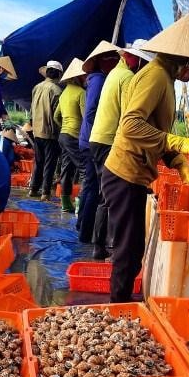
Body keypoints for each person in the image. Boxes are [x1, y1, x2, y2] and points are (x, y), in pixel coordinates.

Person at [102, 14, 189, 302]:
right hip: (124, 173)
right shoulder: (156, 75)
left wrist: (177, 160)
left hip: (134, 174)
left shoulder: (165, 79)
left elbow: (155, 131)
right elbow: (131, 125)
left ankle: (121, 306)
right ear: (183, 58)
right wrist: (179, 141)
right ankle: (118, 310)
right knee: (127, 251)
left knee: (132, 251)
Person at [88, 39, 154, 259]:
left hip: (98, 139)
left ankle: (101, 245)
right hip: (108, 140)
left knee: (104, 195)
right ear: (130, 57)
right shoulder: (126, 78)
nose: (143, 66)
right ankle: (110, 246)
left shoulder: (114, 75)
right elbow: (130, 120)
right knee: (113, 196)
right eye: (142, 61)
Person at [76, 40, 121, 241]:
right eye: (111, 58)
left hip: (88, 139)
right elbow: (91, 111)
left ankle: (82, 228)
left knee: (90, 185)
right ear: (101, 61)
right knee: (95, 188)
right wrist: (100, 132)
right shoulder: (98, 80)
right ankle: (87, 234)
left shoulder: (96, 79)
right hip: (92, 140)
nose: (114, 61)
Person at [54, 58, 87, 212]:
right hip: (74, 135)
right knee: (85, 169)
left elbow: (56, 116)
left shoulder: (64, 93)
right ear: (78, 77)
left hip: (63, 135)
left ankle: (66, 203)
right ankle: (81, 204)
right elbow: (85, 116)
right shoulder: (81, 92)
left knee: (66, 169)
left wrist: (64, 127)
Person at [29, 60, 64, 200]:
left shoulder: (37, 87)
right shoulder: (57, 90)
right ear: (58, 74)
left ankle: (33, 188)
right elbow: (57, 115)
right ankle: (45, 192)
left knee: (38, 161)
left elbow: (32, 109)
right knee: (50, 163)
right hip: (50, 132)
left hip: (37, 130)